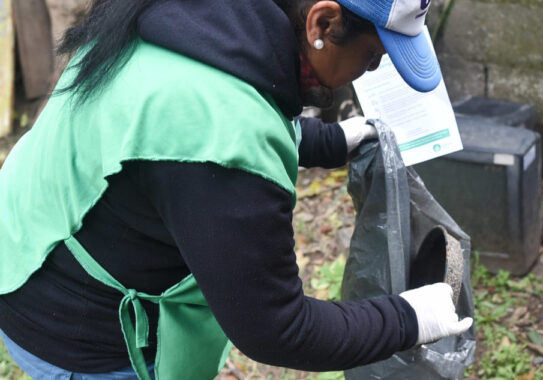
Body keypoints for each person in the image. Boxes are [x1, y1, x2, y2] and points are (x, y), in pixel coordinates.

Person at [0, 0, 473, 379]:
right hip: (75, 330)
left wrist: (332, 140)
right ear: (323, 23)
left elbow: (169, 131)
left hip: (29, 233)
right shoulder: (220, 137)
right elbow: (276, 328)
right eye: (372, 57)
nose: (369, 72)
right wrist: (409, 319)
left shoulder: (200, 22)